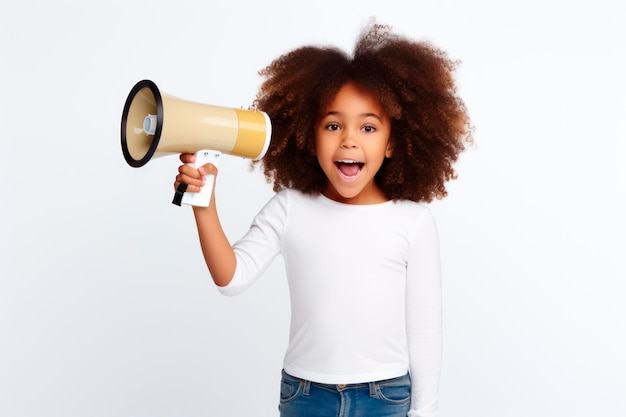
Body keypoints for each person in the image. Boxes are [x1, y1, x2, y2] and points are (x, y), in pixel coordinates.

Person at [173, 20, 472, 417]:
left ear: (392, 143)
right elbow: (231, 278)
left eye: (368, 127)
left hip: (385, 398)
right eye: (333, 125)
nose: (349, 139)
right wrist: (203, 205)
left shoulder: (412, 221)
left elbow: (425, 329)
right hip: (304, 396)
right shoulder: (289, 208)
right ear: (309, 137)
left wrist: (425, 411)